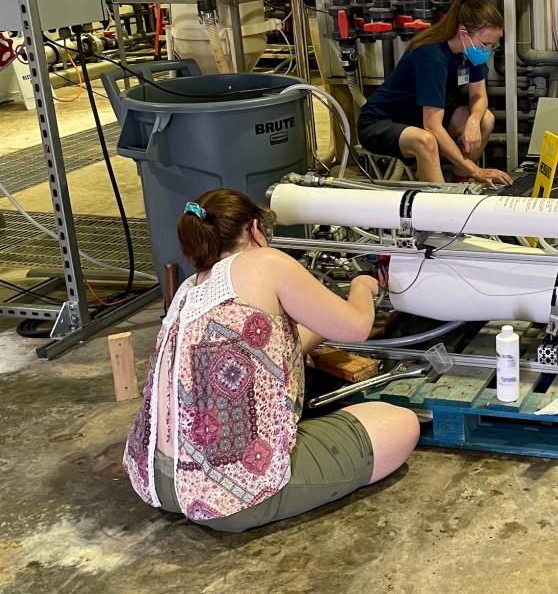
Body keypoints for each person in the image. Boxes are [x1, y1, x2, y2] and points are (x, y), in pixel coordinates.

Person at [123, 189, 419, 532]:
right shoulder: (266, 262)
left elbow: (263, 355)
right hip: (230, 498)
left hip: (158, 481)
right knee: (400, 422)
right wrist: (362, 287)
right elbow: (357, 326)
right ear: (253, 229)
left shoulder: (191, 289)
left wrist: (321, 319)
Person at [357, 0, 514, 187]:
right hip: (381, 122)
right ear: (464, 34)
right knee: (426, 140)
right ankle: (440, 208)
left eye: (493, 44)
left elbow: (479, 95)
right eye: (486, 44)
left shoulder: (471, 51)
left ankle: (459, 182)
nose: (489, 50)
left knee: (485, 119)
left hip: (419, 118)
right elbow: (431, 125)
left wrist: (473, 120)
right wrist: (476, 170)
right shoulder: (432, 57)